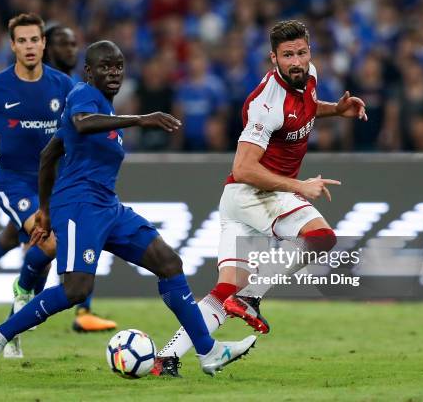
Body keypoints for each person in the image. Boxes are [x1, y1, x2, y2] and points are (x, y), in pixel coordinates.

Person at [0, 40, 256, 376]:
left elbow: (49, 155)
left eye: (118, 66)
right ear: (89, 72)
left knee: (168, 262)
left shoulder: (106, 109)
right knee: (75, 290)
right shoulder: (84, 95)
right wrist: (140, 119)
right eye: (105, 66)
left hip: (107, 205)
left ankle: (208, 352)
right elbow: (80, 122)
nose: (113, 72)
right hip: (79, 205)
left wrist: (46, 211)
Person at [153, 20, 368, 377]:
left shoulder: (309, 75)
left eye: (301, 52)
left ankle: (166, 359)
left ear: (309, 52)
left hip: (237, 201)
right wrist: (299, 186)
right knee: (321, 237)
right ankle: (250, 296)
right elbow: (244, 168)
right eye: (287, 56)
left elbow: (308, 106)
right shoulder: (265, 104)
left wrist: (336, 110)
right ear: (274, 59)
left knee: (224, 288)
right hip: (254, 193)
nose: (296, 61)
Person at [0, 13, 74, 356]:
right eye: (22, 41)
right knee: (46, 240)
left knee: (46, 254)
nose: (29, 46)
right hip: (13, 181)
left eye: (34, 40)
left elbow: (78, 125)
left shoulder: (63, 86)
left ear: (43, 43)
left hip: (52, 184)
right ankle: (22, 293)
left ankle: (11, 327)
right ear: (13, 46)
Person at [43, 24, 117, 333]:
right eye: (63, 43)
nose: (70, 48)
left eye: (74, 43)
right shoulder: (51, 87)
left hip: (68, 173)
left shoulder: (80, 86)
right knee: (35, 247)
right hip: (44, 177)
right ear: (48, 47)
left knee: (58, 245)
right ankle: (18, 302)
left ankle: (83, 309)